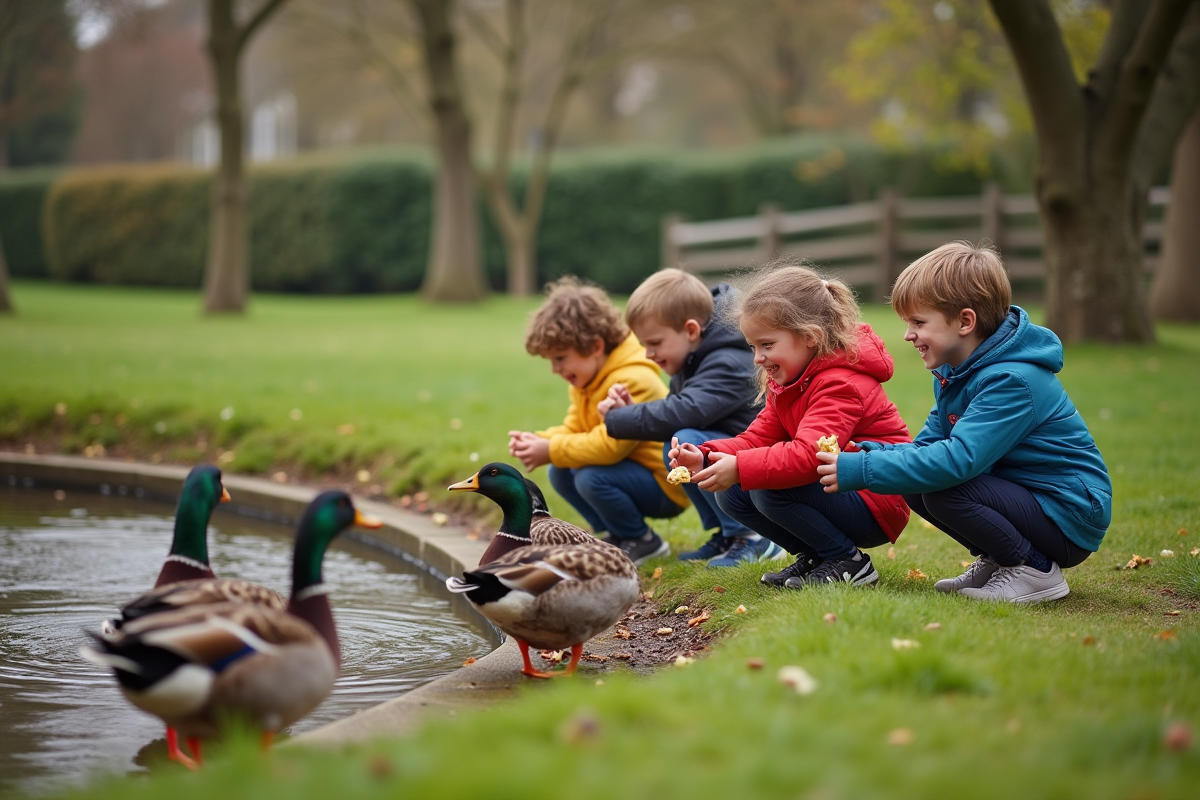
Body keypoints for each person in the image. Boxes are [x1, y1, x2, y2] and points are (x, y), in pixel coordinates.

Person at [815, 241, 1112, 603]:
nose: (908, 334)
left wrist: (862, 469)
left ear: (965, 322)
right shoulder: (955, 372)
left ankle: (1033, 568)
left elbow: (959, 460)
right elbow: (926, 448)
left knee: (943, 487)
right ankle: (1001, 560)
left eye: (918, 322)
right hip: (1030, 501)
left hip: (1068, 513)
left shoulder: (1011, 379)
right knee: (913, 481)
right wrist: (868, 451)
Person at [670, 263, 911, 588]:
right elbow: (757, 438)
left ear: (810, 337)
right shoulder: (789, 383)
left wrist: (741, 467)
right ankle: (816, 555)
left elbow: (810, 456)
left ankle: (849, 561)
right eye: (753, 346)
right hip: (838, 490)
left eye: (767, 345)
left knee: (767, 485)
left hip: (875, 501)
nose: (757, 358)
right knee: (733, 493)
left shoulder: (840, 384)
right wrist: (705, 456)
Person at [599, 268, 781, 567]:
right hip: (736, 457)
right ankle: (726, 533)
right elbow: (682, 408)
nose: (648, 353)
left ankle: (752, 537)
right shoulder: (697, 355)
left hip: (757, 465)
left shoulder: (728, 360)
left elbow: (684, 411)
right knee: (679, 446)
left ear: (691, 330)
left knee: (685, 441)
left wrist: (619, 418)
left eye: (654, 342)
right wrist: (630, 411)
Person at [508, 276, 688, 565]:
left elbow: (609, 447)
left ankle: (643, 540)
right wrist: (541, 441)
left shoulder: (632, 379)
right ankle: (615, 535)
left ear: (594, 346)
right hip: (628, 474)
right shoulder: (587, 379)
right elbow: (575, 428)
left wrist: (551, 448)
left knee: (590, 477)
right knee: (560, 471)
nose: (555, 369)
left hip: (664, 484)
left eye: (560, 358)